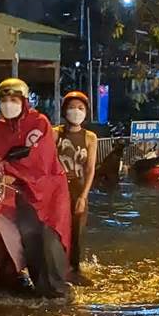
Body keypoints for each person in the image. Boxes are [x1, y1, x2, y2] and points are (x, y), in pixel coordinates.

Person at [0, 78, 72, 298]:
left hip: (47, 192)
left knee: (46, 237)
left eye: (14, 99)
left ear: (24, 101)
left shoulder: (39, 123)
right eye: (4, 100)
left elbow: (38, 158)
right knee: (27, 236)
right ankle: (33, 285)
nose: (9, 104)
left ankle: (58, 292)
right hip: (18, 193)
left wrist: (8, 170)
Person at [52, 91, 98, 286]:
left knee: (76, 232)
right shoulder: (55, 133)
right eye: (72, 107)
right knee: (55, 231)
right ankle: (56, 269)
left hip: (78, 190)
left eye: (80, 108)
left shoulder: (90, 137)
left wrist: (84, 196)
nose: (76, 112)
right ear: (64, 111)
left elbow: (90, 169)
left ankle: (75, 270)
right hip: (57, 191)